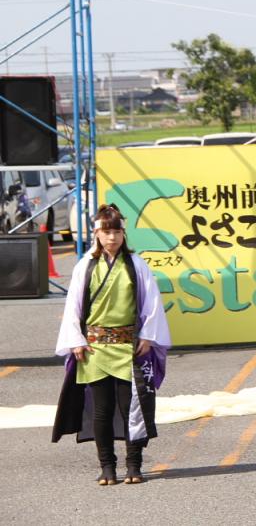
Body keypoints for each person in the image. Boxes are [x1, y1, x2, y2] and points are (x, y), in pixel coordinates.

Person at [52, 203, 171, 485]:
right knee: (102, 411)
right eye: (106, 233)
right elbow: (73, 307)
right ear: (96, 234)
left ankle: (134, 465)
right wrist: (75, 340)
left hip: (127, 347)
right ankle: (107, 466)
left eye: (116, 232)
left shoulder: (136, 264)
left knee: (133, 407)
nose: (112, 238)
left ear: (123, 234)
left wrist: (148, 336)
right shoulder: (85, 265)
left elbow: (152, 303)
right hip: (94, 348)